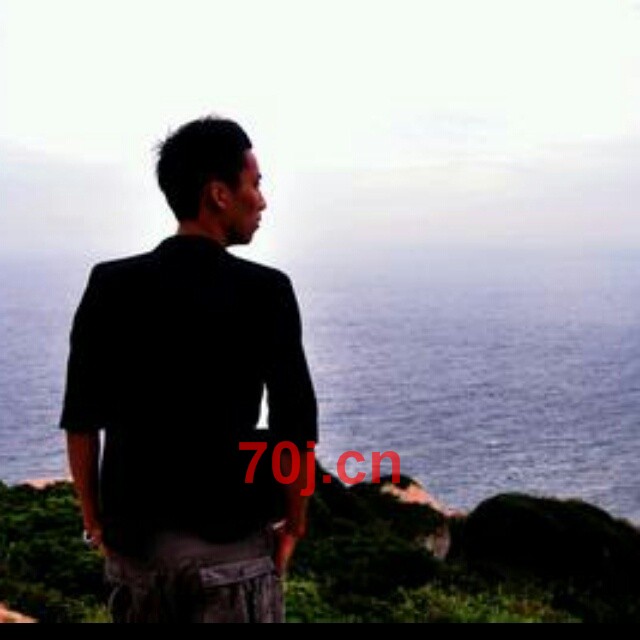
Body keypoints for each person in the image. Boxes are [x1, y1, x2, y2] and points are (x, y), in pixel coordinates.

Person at [59, 116, 318, 622]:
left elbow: (82, 418)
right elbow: (295, 422)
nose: (262, 201)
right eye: (255, 184)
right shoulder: (266, 291)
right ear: (219, 194)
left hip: (138, 558)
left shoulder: (111, 284)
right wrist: (295, 523)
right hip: (232, 555)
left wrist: (94, 521)